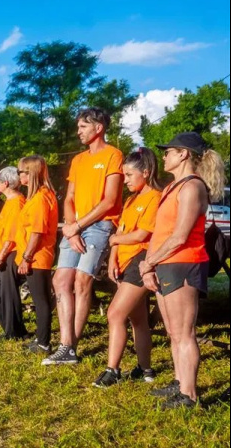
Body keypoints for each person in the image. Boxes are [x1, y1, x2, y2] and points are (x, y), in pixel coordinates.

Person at [140, 132, 226, 409]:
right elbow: (159, 233)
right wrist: (149, 265)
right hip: (165, 263)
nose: (164, 156)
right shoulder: (171, 188)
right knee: (173, 332)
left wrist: (150, 262)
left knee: (184, 332)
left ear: (184, 154)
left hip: (184, 263)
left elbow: (179, 236)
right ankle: (180, 383)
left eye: (168, 151)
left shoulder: (193, 187)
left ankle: (189, 395)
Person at [48, 107, 123, 365]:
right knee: (60, 280)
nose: (78, 131)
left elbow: (110, 200)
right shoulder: (78, 160)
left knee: (82, 280)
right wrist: (71, 228)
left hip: (100, 225)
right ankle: (65, 344)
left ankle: (71, 346)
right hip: (75, 227)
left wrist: (78, 225)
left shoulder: (113, 155)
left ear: (98, 128)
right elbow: (69, 197)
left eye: (83, 126)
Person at [93, 147, 162, 388]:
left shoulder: (155, 197)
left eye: (130, 175)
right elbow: (121, 232)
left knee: (115, 313)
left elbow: (142, 234)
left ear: (146, 172)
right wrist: (113, 257)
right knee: (137, 318)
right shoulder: (132, 200)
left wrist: (114, 240)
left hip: (141, 260)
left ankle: (112, 370)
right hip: (124, 261)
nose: (126, 180)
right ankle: (145, 368)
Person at [15, 156, 59, 356]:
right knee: (40, 299)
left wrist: (27, 257)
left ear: (30, 173)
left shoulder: (41, 198)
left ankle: (43, 343)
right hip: (36, 256)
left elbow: (37, 232)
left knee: (41, 301)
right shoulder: (37, 196)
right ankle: (41, 339)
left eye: (21, 172)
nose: (18, 175)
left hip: (37, 257)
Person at [0, 167, 27, 340]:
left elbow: (11, 235)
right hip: (1, 254)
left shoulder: (17, 203)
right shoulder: (10, 202)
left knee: (8, 293)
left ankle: (15, 332)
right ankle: (10, 328)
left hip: (10, 254)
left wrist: (0, 257)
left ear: (5, 183)